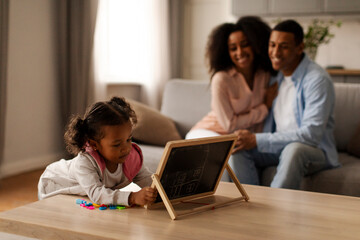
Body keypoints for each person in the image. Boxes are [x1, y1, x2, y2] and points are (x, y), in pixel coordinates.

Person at [230, 19, 339, 189]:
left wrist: (256, 139)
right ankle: (249, 207)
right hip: (280, 146)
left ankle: (274, 212)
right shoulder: (276, 79)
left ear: (300, 48)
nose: (275, 52)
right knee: (238, 149)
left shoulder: (317, 80)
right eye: (272, 45)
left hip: (313, 150)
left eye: (284, 46)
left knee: (294, 149)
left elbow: (311, 135)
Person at [185, 16, 277, 181]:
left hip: (236, 137)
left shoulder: (264, 75)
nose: (240, 52)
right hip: (208, 132)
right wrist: (264, 107)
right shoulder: (221, 79)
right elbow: (229, 124)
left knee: (235, 148)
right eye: (233, 48)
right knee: (230, 150)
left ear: (255, 44)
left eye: (245, 45)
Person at [38, 97, 157, 206]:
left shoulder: (131, 157)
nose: (126, 148)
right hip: (55, 183)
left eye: (129, 139)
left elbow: (146, 179)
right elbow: (98, 194)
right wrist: (132, 197)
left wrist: (160, 190)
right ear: (94, 144)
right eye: (117, 144)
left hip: (80, 190)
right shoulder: (85, 162)